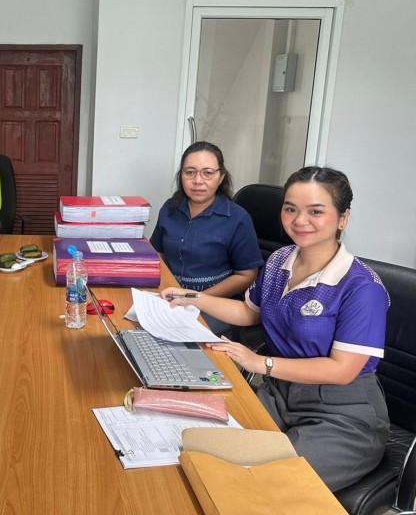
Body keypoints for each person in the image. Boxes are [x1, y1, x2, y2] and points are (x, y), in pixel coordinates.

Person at [161, 166, 389, 491]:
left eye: (316, 211)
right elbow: (249, 312)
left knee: (261, 484)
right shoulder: (281, 260)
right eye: (290, 209)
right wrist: (194, 298)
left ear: (343, 219)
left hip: (341, 414)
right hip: (278, 394)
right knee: (201, 452)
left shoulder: (361, 287)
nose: (299, 220)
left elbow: (342, 370)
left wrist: (259, 363)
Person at [149, 141, 263, 334]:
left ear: (221, 177)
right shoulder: (169, 208)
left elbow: (247, 276)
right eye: (190, 172)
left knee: (174, 334)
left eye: (207, 173)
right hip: (172, 296)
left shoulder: (237, 218)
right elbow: (157, 255)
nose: (198, 181)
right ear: (181, 176)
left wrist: (195, 298)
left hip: (216, 304)